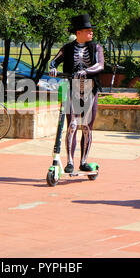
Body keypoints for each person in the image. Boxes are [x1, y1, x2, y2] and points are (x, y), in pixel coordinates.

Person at [49, 14, 104, 173]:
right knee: (72, 126)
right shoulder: (67, 48)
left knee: (86, 127)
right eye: (88, 30)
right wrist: (53, 69)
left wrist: (86, 71)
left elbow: (100, 65)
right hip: (72, 89)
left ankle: (84, 161)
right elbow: (53, 62)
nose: (91, 33)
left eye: (91, 31)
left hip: (90, 89)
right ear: (78, 33)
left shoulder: (96, 48)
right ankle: (70, 162)